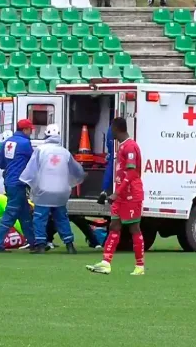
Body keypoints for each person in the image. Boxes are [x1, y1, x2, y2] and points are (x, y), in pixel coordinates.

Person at [86, 117, 145, 276]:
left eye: (111, 128)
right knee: (114, 226)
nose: (109, 132)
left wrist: (117, 192)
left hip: (131, 194)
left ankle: (140, 266)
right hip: (121, 194)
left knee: (134, 228)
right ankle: (106, 263)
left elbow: (132, 172)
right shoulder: (122, 147)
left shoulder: (130, 147)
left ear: (116, 128)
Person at [20, 123, 86, 254]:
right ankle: (69, 245)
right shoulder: (65, 152)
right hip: (61, 192)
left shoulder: (40, 150)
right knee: (62, 218)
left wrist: (28, 183)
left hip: (44, 191)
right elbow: (77, 171)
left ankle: (40, 245)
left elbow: (31, 170)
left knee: (39, 218)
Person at [0, 119, 35, 253]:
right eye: (30, 130)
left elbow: (1, 164)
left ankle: (34, 243)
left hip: (10, 181)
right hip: (19, 183)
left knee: (25, 214)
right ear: (25, 129)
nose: (31, 132)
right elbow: (32, 161)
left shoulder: (5, 143)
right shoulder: (25, 143)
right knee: (10, 213)